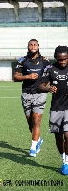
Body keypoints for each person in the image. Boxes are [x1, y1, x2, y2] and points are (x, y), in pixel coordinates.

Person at [13, 39, 50, 157]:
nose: (33, 46)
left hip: (40, 94)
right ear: (28, 47)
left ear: (38, 46)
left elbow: (50, 75)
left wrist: (45, 86)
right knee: (30, 123)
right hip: (26, 94)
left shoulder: (45, 61)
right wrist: (28, 76)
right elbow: (15, 77)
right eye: (31, 45)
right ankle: (38, 140)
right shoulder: (23, 60)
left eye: (35, 44)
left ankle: (33, 148)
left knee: (36, 120)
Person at [38, 45, 68, 175]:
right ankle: (64, 160)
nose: (62, 62)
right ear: (56, 58)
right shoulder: (49, 69)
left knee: (67, 135)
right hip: (56, 108)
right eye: (60, 59)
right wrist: (48, 89)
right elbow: (40, 86)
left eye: (65, 59)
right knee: (58, 137)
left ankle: (66, 163)